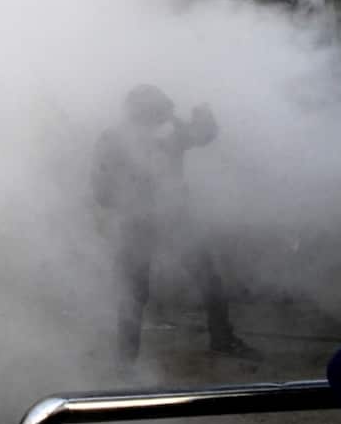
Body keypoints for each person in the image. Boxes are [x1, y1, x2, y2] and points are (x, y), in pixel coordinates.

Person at [92, 84, 260, 364]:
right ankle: (126, 360)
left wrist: (205, 116)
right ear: (144, 112)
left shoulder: (168, 132)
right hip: (139, 223)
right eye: (159, 112)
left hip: (173, 218)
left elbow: (203, 135)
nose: (165, 118)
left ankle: (220, 339)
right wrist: (132, 199)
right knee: (134, 292)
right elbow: (101, 190)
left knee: (206, 280)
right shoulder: (115, 139)